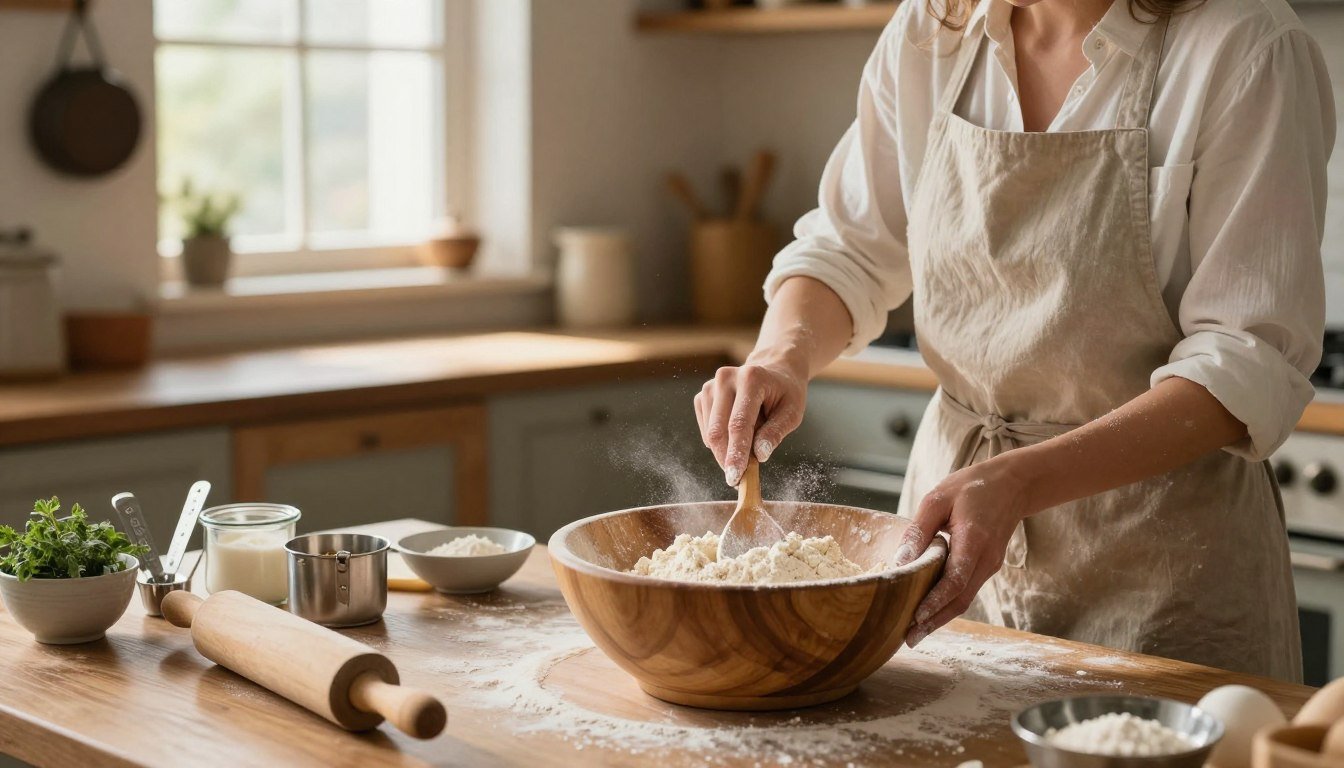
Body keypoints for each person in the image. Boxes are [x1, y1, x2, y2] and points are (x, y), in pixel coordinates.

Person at [692, 0, 1335, 681]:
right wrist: (781, 355)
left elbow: (1244, 359)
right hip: (952, 552)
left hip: (1164, 569)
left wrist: (1021, 481)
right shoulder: (933, 31)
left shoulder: (1245, 46)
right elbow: (850, 246)